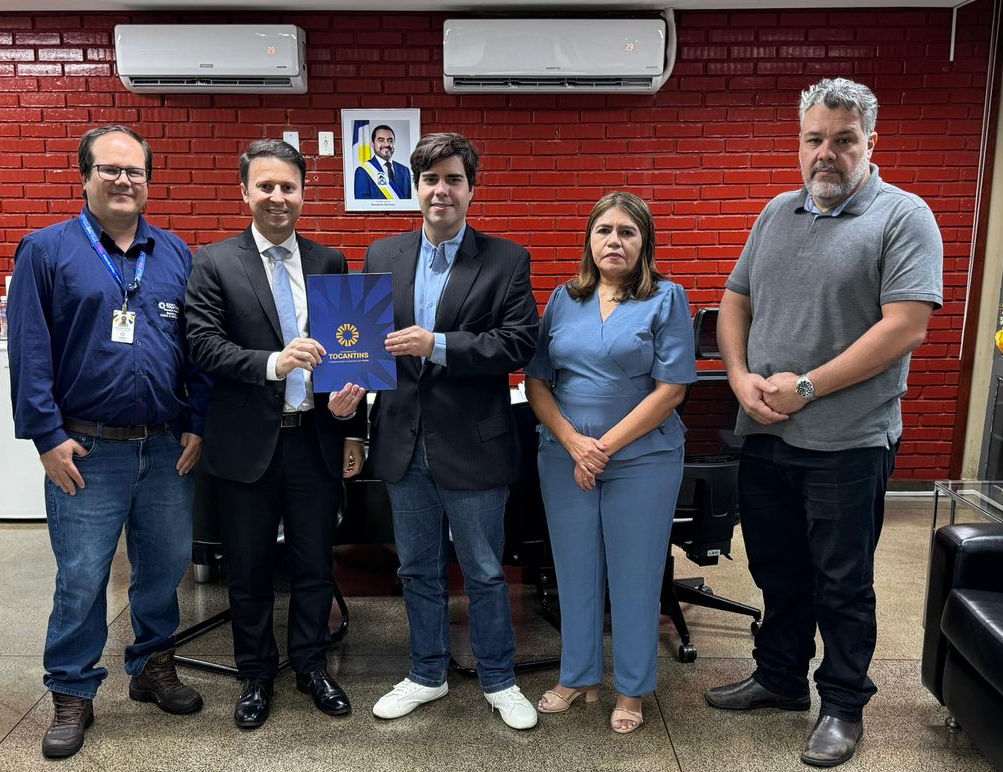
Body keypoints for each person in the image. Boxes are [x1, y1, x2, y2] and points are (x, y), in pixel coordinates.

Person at [704, 78, 943, 767]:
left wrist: (806, 387)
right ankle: (780, 677)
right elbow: (735, 302)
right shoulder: (777, 213)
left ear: (870, 142)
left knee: (841, 581)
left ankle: (842, 704)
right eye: (814, 139)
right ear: (800, 143)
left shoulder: (904, 216)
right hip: (766, 432)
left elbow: (905, 327)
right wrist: (739, 376)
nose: (826, 154)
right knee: (776, 569)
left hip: (847, 441)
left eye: (843, 140)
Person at [8, 124, 210, 759]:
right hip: (87, 449)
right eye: (110, 169)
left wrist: (198, 420)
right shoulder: (46, 251)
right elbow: (29, 350)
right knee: (82, 574)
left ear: (148, 180)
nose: (124, 180)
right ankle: (72, 689)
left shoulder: (174, 253)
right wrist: (46, 435)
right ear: (84, 176)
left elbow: (196, 348)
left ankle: (153, 666)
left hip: (166, 445)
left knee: (166, 566)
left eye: (135, 171)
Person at [182, 139, 365, 730]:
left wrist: (352, 421)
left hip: (315, 439)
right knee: (250, 569)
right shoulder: (214, 262)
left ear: (305, 193)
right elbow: (202, 344)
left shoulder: (330, 261)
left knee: (315, 564)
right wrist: (273, 363)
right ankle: (256, 674)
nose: (278, 197)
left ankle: (311, 666)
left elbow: (350, 353)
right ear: (245, 192)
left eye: (288, 186)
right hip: (246, 443)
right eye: (266, 186)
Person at [364, 133, 541, 730]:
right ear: (415, 189)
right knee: (416, 569)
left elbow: (518, 343)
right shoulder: (382, 254)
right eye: (431, 179)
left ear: (471, 189)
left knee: (485, 571)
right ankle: (426, 673)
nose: (441, 190)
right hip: (403, 441)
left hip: (473, 443)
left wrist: (436, 344)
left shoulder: (506, 259)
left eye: (453, 179)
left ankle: (499, 678)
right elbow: (365, 346)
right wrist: (348, 384)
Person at [524, 192, 695, 735]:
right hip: (564, 455)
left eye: (626, 231)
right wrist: (574, 443)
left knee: (634, 575)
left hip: (644, 458)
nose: (614, 241)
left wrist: (601, 448)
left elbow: (671, 390)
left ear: (644, 242)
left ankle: (632, 688)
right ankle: (578, 677)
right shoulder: (563, 298)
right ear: (589, 240)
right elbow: (536, 382)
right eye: (604, 231)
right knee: (573, 568)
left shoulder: (666, 298)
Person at [353, 124, 413, 201]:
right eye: (381, 140)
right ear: (372, 144)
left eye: (390, 140)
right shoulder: (363, 171)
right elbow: (362, 205)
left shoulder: (404, 170)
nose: (387, 144)